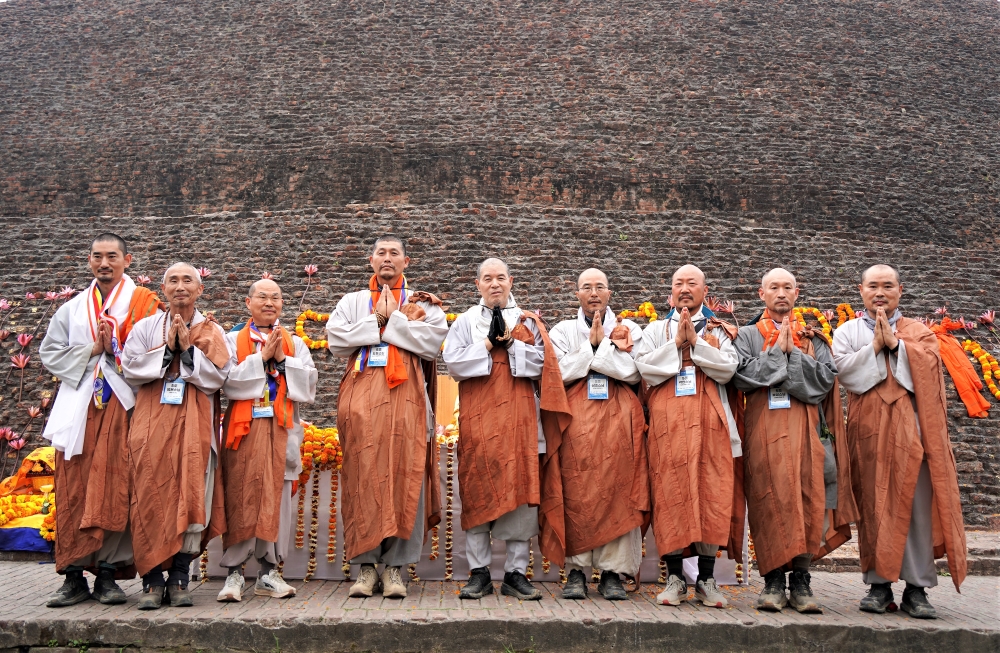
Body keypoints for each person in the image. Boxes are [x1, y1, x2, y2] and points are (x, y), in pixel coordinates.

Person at [832, 264, 967, 618]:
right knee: (875, 508)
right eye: (873, 286)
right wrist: (875, 346)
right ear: (860, 291)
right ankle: (879, 586)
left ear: (900, 290)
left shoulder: (919, 332)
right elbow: (845, 374)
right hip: (869, 433)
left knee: (916, 510)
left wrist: (898, 346)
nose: (880, 292)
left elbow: (931, 373)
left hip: (915, 434)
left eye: (887, 286)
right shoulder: (847, 331)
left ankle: (917, 589)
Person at [39, 233, 162, 607]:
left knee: (118, 484)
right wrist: (93, 349)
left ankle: (108, 573)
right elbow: (48, 353)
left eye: (112, 256)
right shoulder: (73, 309)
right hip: (79, 409)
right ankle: (73, 575)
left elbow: (156, 354)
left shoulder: (145, 305)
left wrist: (117, 352)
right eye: (97, 256)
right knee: (73, 485)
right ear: (89, 261)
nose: (104, 263)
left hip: (122, 406)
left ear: (127, 260)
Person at [326, 235, 447, 599]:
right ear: (371, 260)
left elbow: (431, 342)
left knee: (404, 475)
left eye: (395, 253)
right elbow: (335, 339)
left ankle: (395, 568)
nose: (388, 259)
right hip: (360, 405)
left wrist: (387, 320)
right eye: (381, 253)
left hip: (407, 403)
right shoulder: (352, 302)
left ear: (406, 262)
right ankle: (365, 568)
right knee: (363, 476)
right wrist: (378, 318)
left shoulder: (424, 303)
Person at [443, 258, 571, 601]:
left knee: (520, 496)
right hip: (479, 422)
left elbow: (544, 365)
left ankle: (515, 573)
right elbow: (453, 363)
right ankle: (479, 573)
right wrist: (487, 344)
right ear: (478, 283)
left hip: (520, 425)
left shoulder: (528, 321)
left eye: (501, 277)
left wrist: (511, 344)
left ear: (511, 281)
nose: (495, 283)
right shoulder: (467, 321)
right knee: (477, 491)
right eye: (488, 278)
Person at [732, 268, 857, 613]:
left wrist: (793, 355)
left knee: (807, 498)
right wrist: (777, 355)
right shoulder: (746, 335)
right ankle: (772, 580)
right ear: (762, 294)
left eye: (788, 287)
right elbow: (740, 375)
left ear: (797, 293)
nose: (781, 293)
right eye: (774, 287)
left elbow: (825, 382)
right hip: (765, 434)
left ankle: (800, 579)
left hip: (807, 433)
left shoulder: (813, 337)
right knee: (767, 499)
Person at [122, 263, 231, 610]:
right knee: (149, 494)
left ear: (200, 290)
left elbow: (219, 377)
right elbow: (129, 367)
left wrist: (187, 352)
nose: (180, 287)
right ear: (163, 289)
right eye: (173, 281)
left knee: (192, 494)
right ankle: (152, 581)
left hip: (195, 428)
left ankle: (180, 579)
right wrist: (167, 351)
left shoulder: (214, 331)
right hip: (151, 426)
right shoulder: (144, 327)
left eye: (188, 281)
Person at [634, 264, 742, 608]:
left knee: (712, 492)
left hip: (711, 426)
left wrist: (695, 343)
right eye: (678, 282)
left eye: (691, 283)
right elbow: (644, 368)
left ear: (704, 290)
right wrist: (676, 345)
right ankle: (676, 578)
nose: (684, 288)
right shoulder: (655, 329)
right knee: (670, 495)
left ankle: (707, 580)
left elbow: (728, 369)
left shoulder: (719, 329)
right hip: (668, 427)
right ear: (670, 290)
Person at [546, 268, 649, 601]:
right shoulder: (562, 330)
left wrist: (595, 352)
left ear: (609, 293)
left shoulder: (629, 328)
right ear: (576, 294)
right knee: (576, 490)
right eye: (586, 287)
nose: (593, 293)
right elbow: (557, 373)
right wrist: (596, 349)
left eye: (600, 287)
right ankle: (576, 571)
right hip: (575, 424)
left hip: (619, 424)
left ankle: (612, 573)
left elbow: (635, 372)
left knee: (619, 491)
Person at [216, 279, 317, 602]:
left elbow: (309, 383)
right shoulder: (232, 340)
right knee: (240, 496)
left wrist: (283, 361)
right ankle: (234, 573)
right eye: (262, 297)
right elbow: (226, 382)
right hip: (243, 430)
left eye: (276, 297)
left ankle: (268, 571)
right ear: (248, 303)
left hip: (281, 427)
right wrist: (260, 359)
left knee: (278, 500)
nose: (269, 302)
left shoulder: (295, 343)